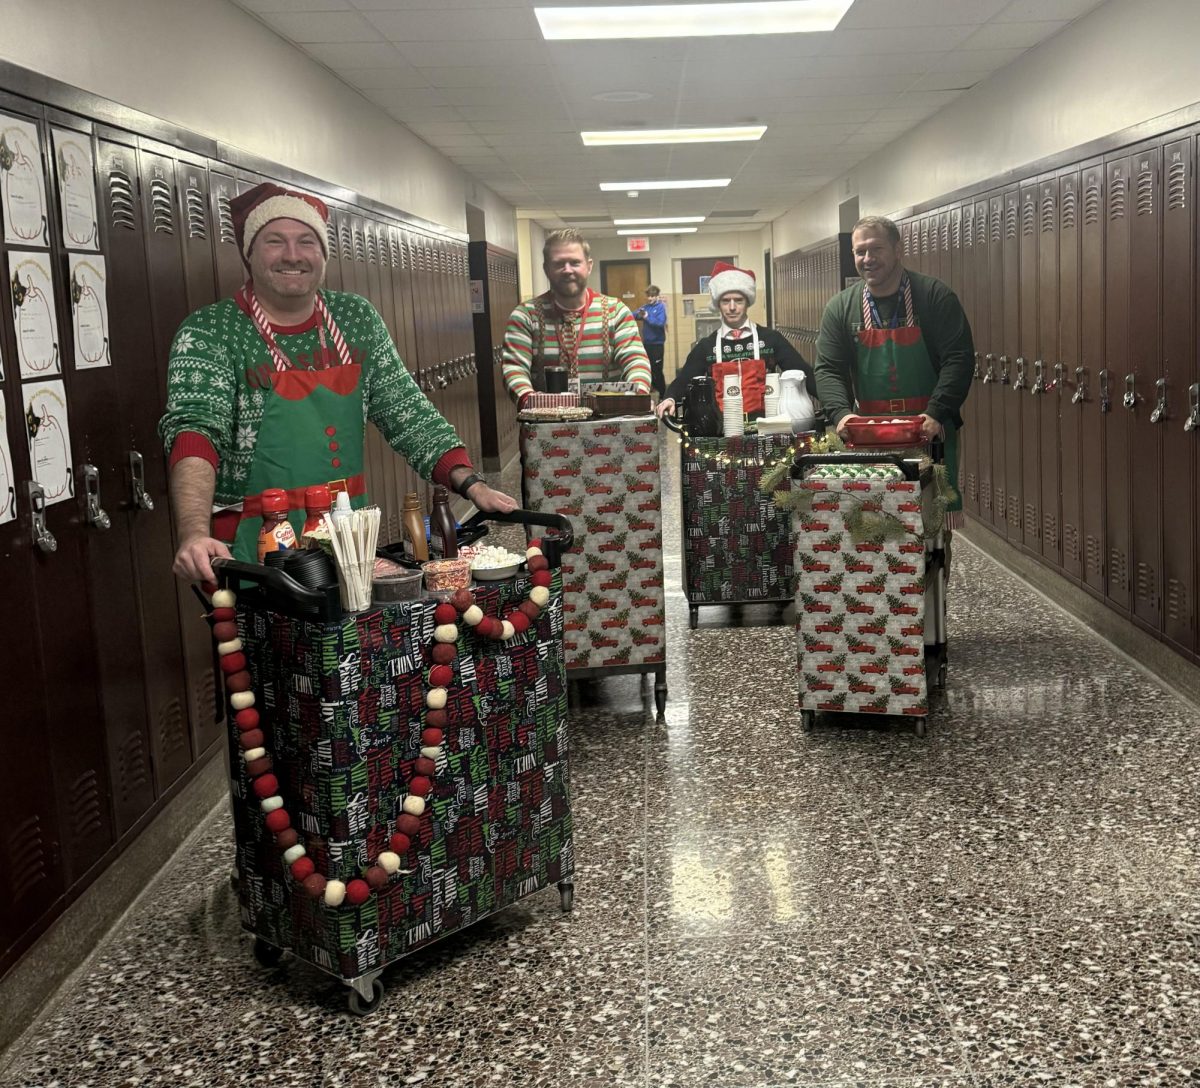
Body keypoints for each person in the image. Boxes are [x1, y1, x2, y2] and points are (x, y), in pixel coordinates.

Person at [159, 182, 517, 582]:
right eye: (275, 241)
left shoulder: (354, 319)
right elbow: (195, 433)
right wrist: (193, 534)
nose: (293, 255)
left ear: (324, 254)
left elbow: (404, 409)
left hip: (346, 536)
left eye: (307, 242)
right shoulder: (211, 331)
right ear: (249, 253)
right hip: (252, 545)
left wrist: (469, 482)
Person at [813, 214, 974, 527]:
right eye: (860, 252)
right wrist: (842, 415)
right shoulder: (841, 308)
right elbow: (829, 368)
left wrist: (937, 412)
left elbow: (959, 359)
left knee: (932, 529)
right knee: (876, 523)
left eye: (876, 249)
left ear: (898, 249)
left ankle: (934, 575)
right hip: (869, 434)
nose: (868, 259)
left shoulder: (935, 297)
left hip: (929, 430)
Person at [502, 228, 650, 402]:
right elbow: (514, 369)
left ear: (589, 266)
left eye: (575, 262)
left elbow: (636, 361)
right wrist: (534, 403)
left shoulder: (615, 312)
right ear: (546, 269)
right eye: (558, 264)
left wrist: (637, 397)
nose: (567, 270)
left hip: (609, 424)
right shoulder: (525, 316)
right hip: (545, 425)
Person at [656, 261, 813, 419]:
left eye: (738, 300)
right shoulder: (707, 346)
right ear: (718, 304)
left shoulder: (770, 340)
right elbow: (685, 378)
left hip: (767, 426)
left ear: (747, 303)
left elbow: (803, 372)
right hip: (721, 430)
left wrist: (835, 408)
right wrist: (670, 398)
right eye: (726, 301)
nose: (732, 307)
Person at [633, 285, 668, 397]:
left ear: (657, 296)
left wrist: (647, 317)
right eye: (648, 296)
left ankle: (663, 395)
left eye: (652, 296)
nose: (650, 298)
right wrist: (639, 314)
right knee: (649, 370)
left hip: (657, 345)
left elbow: (660, 323)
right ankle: (652, 394)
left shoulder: (661, 307)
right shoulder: (645, 307)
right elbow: (633, 315)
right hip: (647, 344)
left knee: (657, 371)